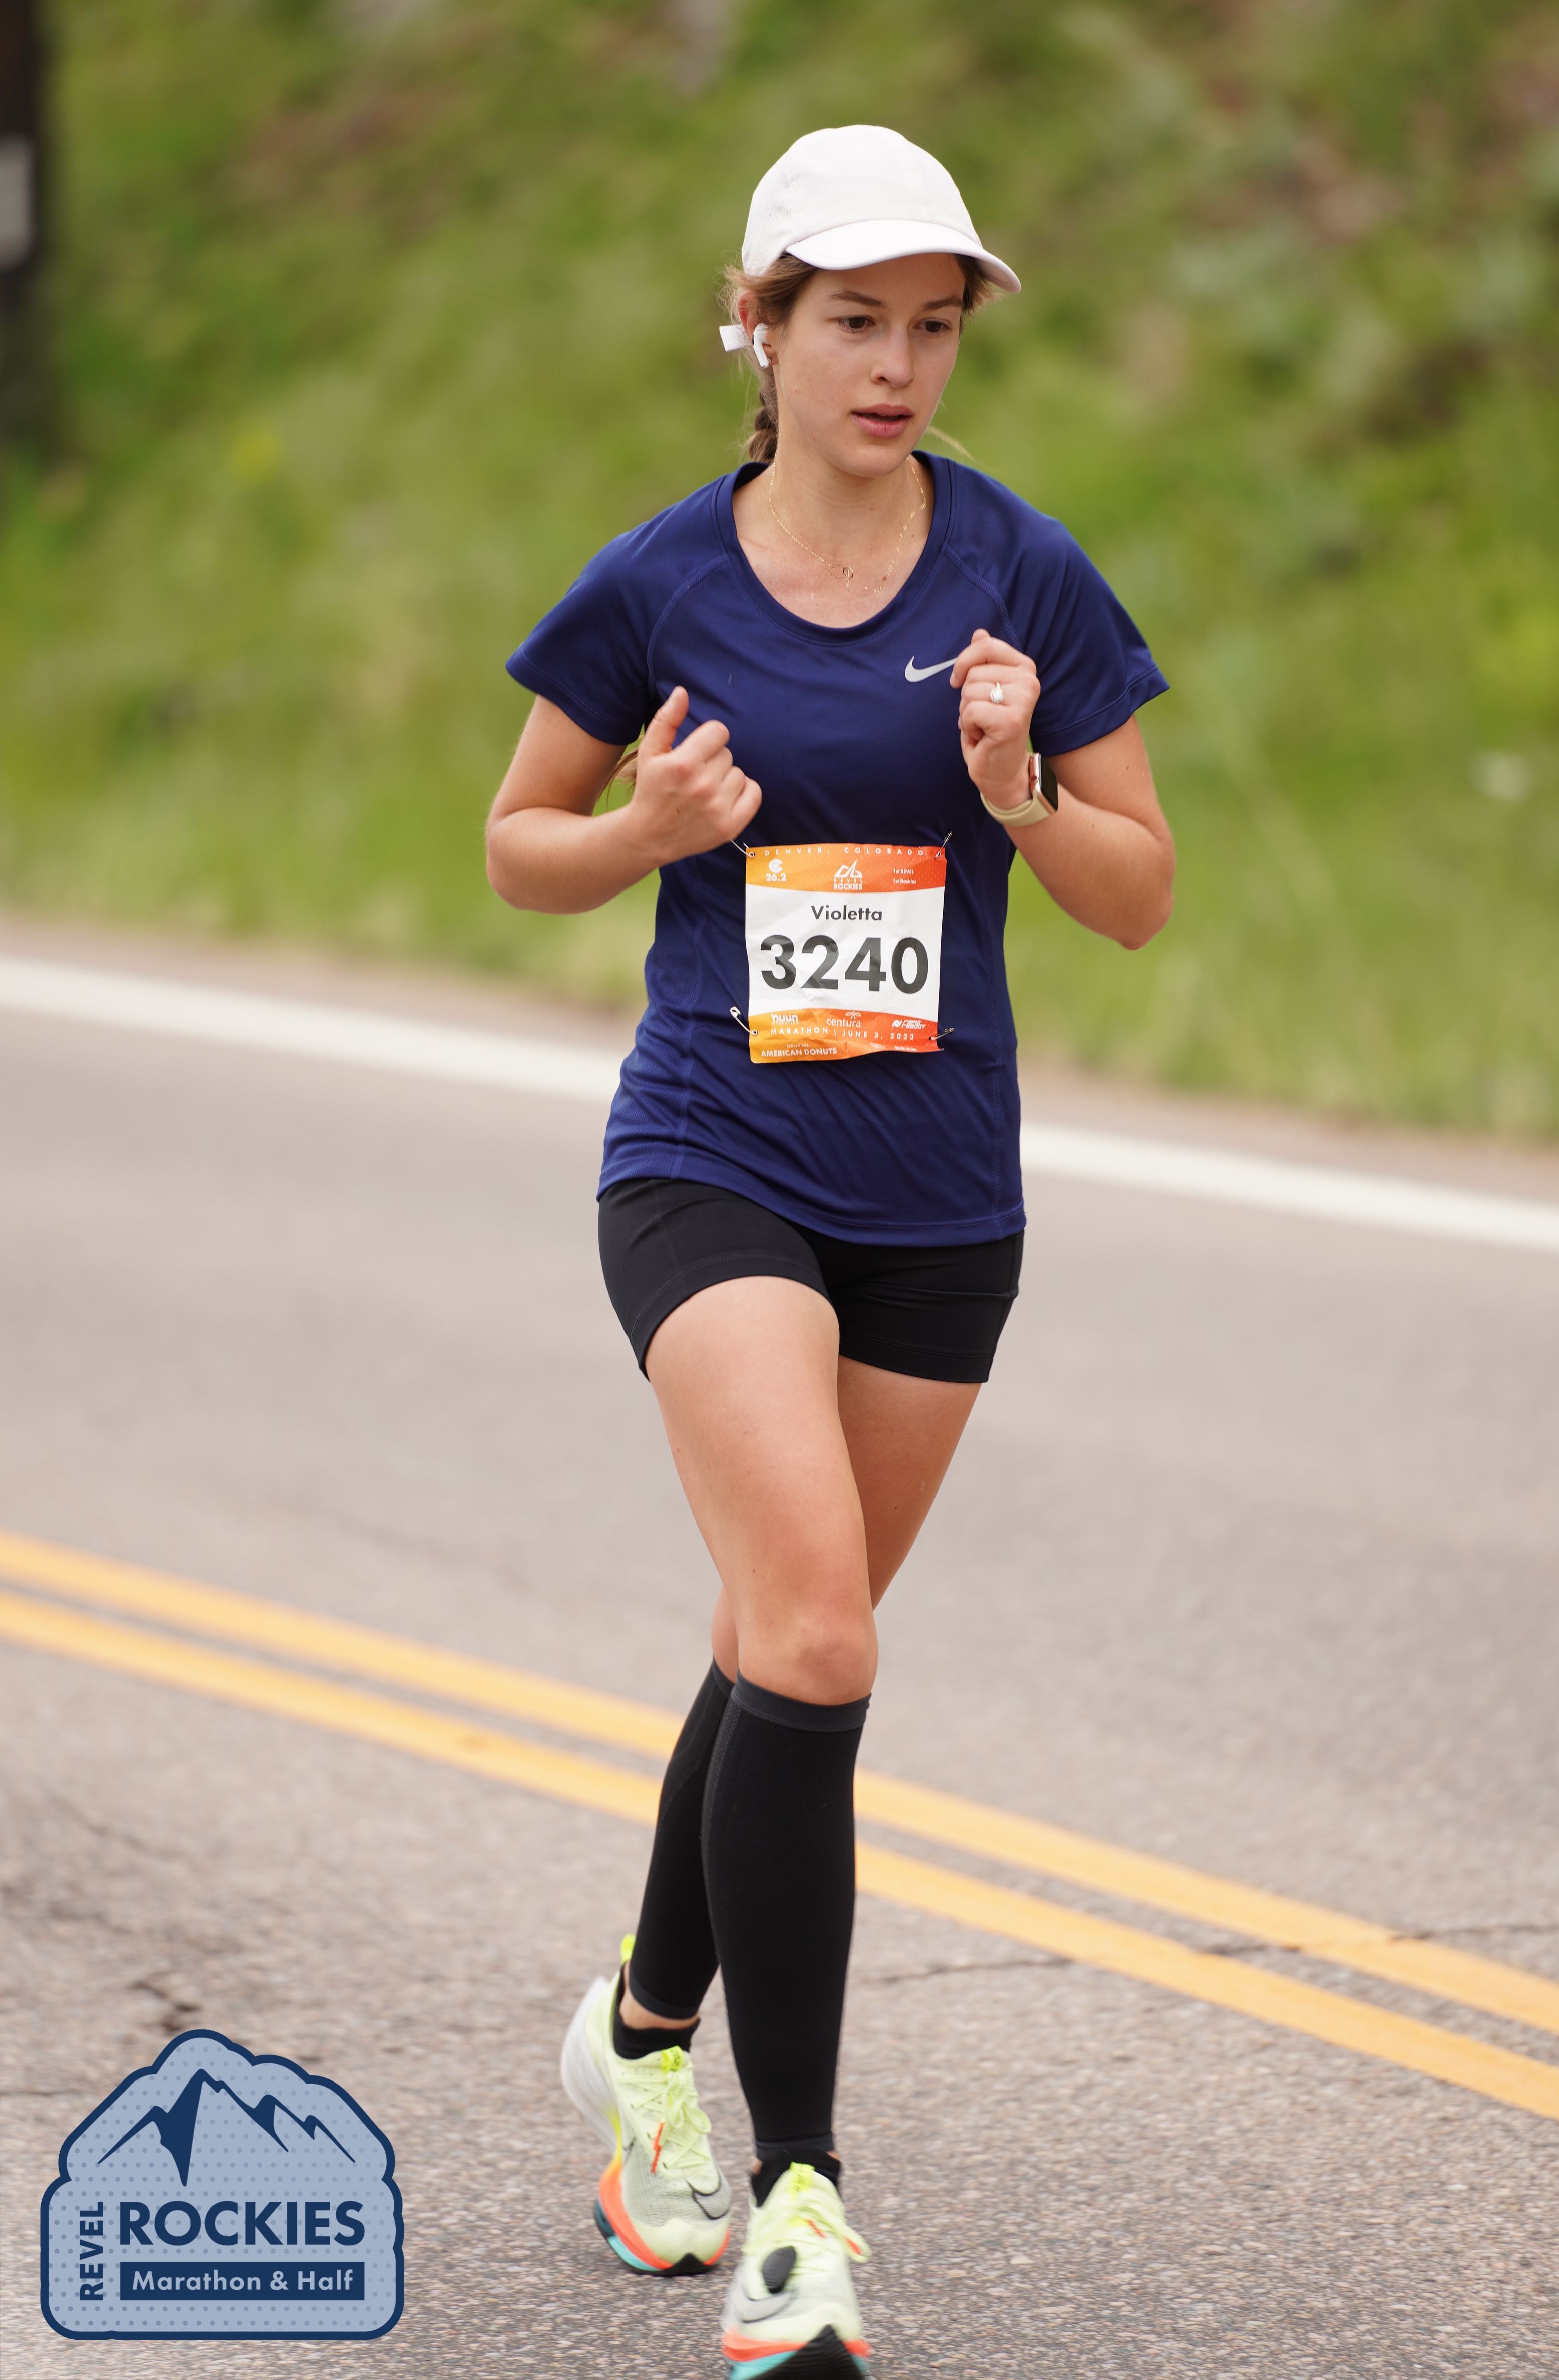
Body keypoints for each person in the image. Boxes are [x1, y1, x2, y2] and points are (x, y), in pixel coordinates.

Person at [486, 122, 1173, 2380]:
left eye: (933, 326)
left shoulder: (1022, 574)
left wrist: (1021, 795)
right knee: (818, 1628)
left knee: (785, 1645)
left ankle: (637, 2037)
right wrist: (646, 829)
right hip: (712, 1160)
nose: (897, 365)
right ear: (758, 324)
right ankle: (803, 2205)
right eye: (854, 320)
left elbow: (1140, 892)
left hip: (941, 1198)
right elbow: (516, 840)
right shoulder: (664, 581)